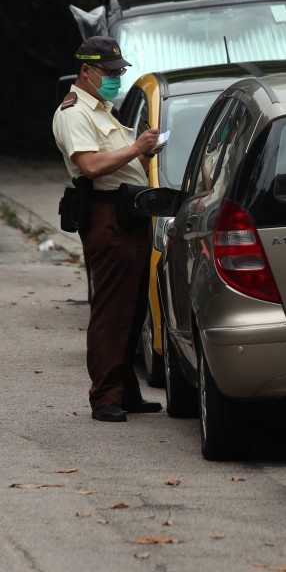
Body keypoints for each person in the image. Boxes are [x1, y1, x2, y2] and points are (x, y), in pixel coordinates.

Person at [52, 36, 163, 422]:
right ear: (86, 70)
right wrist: (136, 149)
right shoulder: (73, 112)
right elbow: (92, 166)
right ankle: (104, 397)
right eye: (110, 72)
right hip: (107, 216)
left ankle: (125, 390)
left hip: (128, 215)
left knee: (132, 310)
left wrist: (143, 149)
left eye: (120, 72)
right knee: (112, 309)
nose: (116, 78)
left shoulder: (102, 109)